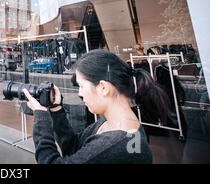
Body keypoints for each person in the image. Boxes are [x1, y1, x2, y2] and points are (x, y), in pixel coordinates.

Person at [23, 49, 171, 164]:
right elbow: (74, 148)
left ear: (103, 88)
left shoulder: (116, 144)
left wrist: (41, 116)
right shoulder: (109, 124)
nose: (80, 93)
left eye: (81, 86)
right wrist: (56, 110)